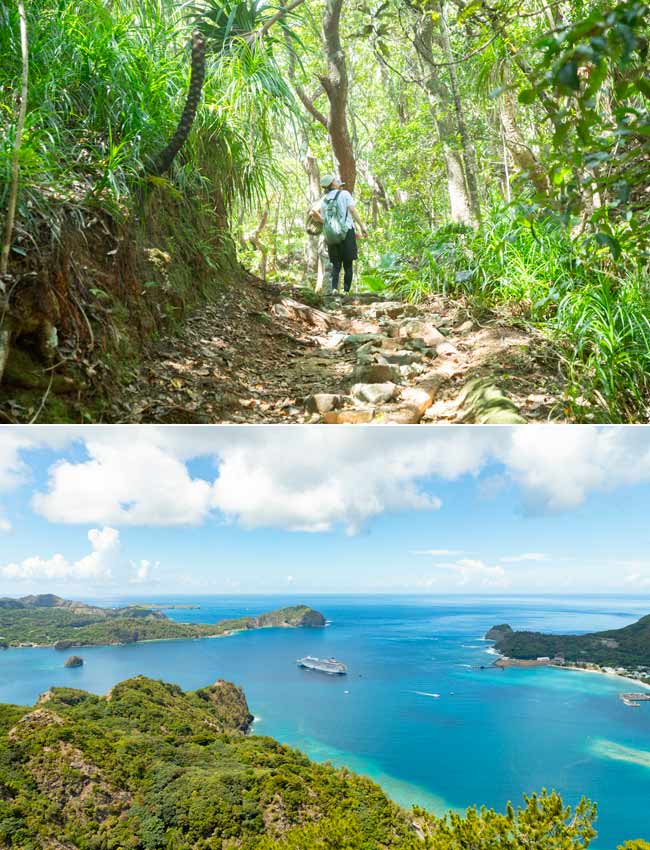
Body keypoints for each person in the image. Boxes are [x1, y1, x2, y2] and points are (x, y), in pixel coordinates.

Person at [317, 175, 368, 294]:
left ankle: (334, 289)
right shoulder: (344, 194)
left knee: (336, 264)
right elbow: (353, 210)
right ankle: (345, 291)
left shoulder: (324, 200)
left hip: (331, 234)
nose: (337, 181)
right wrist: (362, 227)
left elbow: (324, 219)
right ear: (332, 184)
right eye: (335, 180)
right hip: (347, 231)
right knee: (348, 264)